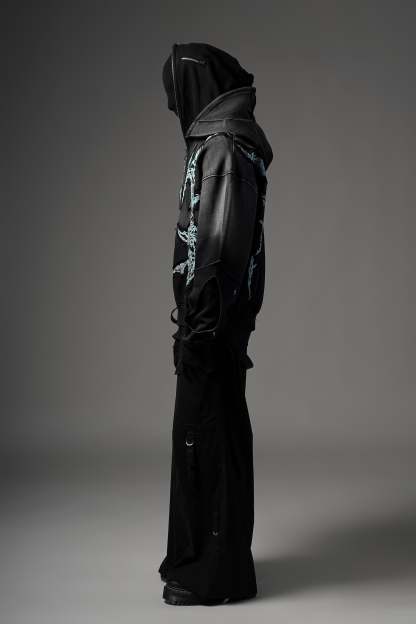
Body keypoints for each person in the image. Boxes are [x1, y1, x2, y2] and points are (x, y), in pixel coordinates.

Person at [158, 41, 273, 606]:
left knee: (205, 439)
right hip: (213, 324)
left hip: (211, 327)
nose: (173, 103)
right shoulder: (220, 144)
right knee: (215, 435)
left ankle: (208, 575)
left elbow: (221, 247)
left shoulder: (223, 147)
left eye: (177, 90)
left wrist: (199, 329)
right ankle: (218, 566)